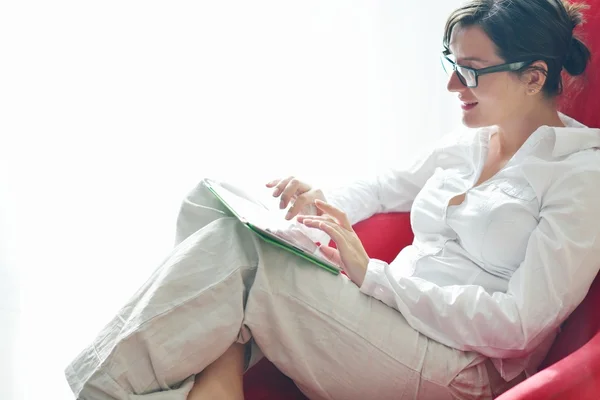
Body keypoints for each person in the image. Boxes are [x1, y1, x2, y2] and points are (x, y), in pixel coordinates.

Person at [65, 0, 600, 399]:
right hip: (387, 313)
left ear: (533, 77)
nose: (453, 86)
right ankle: (220, 381)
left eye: (472, 71)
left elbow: (519, 325)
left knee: (237, 249)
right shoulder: (467, 145)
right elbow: (378, 188)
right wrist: (318, 204)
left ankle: (108, 390)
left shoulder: (581, 176)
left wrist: (374, 274)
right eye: (451, 64)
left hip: (453, 366)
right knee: (204, 204)